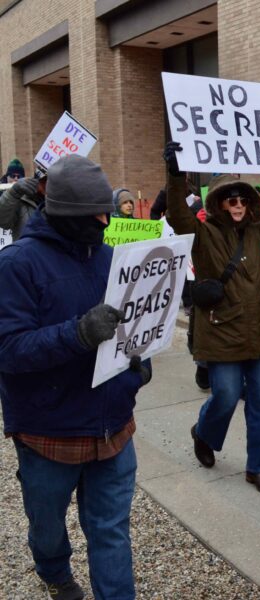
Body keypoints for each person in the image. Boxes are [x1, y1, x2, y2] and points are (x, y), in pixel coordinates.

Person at [0, 154, 151, 600]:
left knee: (111, 532)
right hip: (49, 432)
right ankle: (54, 571)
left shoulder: (113, 260)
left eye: (105, 211)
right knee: (47, 527)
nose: (104, 222)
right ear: (61, 212)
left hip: (114, 428)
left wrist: (137, 362)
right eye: (93, 215)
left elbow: (129, 328)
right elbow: (8, 350)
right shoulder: (17, 265)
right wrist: (78, 333)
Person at [163, 141, 260, 495]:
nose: (237, 204)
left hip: (259, 329)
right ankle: (204, 433)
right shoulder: (203, 233)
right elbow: (176, 215)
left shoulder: (259, 230)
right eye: (230, 199)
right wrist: (174, 174)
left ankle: (258, 466)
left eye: (242, 199)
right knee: (227, 396)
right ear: (217, 202)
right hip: (220, 331)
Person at [0, 172, 46, 241]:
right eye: (44, 180)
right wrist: (13, 194)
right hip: (26, 250)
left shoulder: (64, 202)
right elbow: (3, 222)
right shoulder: (22, 198)